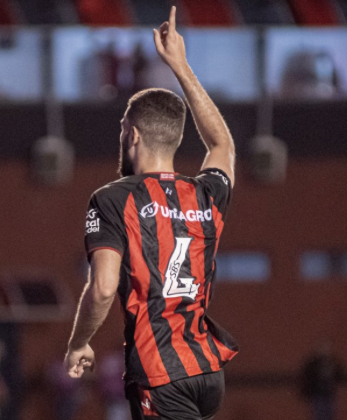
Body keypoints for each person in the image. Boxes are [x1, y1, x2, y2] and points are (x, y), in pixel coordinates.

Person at [64, 7, 239, 420]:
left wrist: (78, 341)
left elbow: (104, 287)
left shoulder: (112, 199)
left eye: (123, 127)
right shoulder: (205, 194)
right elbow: (223, 145)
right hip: (207, 370)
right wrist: (181, 65)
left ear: (134, 134)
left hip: (160, 371)